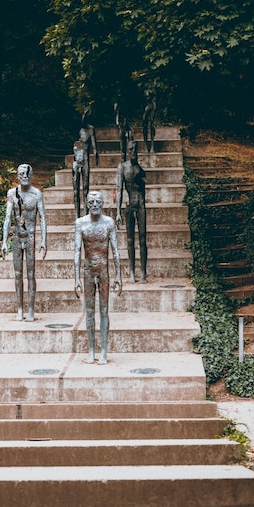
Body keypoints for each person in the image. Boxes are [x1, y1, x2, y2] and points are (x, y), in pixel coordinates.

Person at [74, 191, 122, 365]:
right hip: (88, 271)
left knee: (104, 311)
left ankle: (103, 351)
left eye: (98, 201)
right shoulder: (80, 223)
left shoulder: (109, 223)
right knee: (89, 312)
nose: (95, 204)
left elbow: (115, 250)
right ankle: (91, 351)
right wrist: (76, 278)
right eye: (91, 201)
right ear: (87, 204)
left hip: (103, 270)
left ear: (102, 204)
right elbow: (77, 251)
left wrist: (119, 276)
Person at [1, 164, 47, 322]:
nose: (24, 177)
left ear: (31, 175)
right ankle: (20, 308)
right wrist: (4, 241)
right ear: (17, 176)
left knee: (31, 274)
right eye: (21, 174)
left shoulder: (36, 194)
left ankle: (31, 309)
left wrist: (44, 240)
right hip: (17, 236)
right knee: (18, 274)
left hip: (31, 236)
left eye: (27, 174)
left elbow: (42, 218)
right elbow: (8, 218)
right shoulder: (12, 193)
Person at [116, 140, 147, 283]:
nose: (133, 151)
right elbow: (119, 190)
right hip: (129, 205)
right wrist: (117, 211)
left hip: (140, 204)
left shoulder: (140, 169)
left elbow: (143, 191)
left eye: (135, 149)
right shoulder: (122, 167)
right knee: (130, 240)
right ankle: (132, 273)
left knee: (142, 239)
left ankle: (143, 273)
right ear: (128, 150)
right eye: (131, 149)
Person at [72, 109, 99, 218]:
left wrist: (96, 153)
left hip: (85, 160)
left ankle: (86, 213)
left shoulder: (90, 130)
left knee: (86, 188)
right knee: (76, 190)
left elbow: (94, 147)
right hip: (76, 160)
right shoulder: (78, 129)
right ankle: (77, 215)